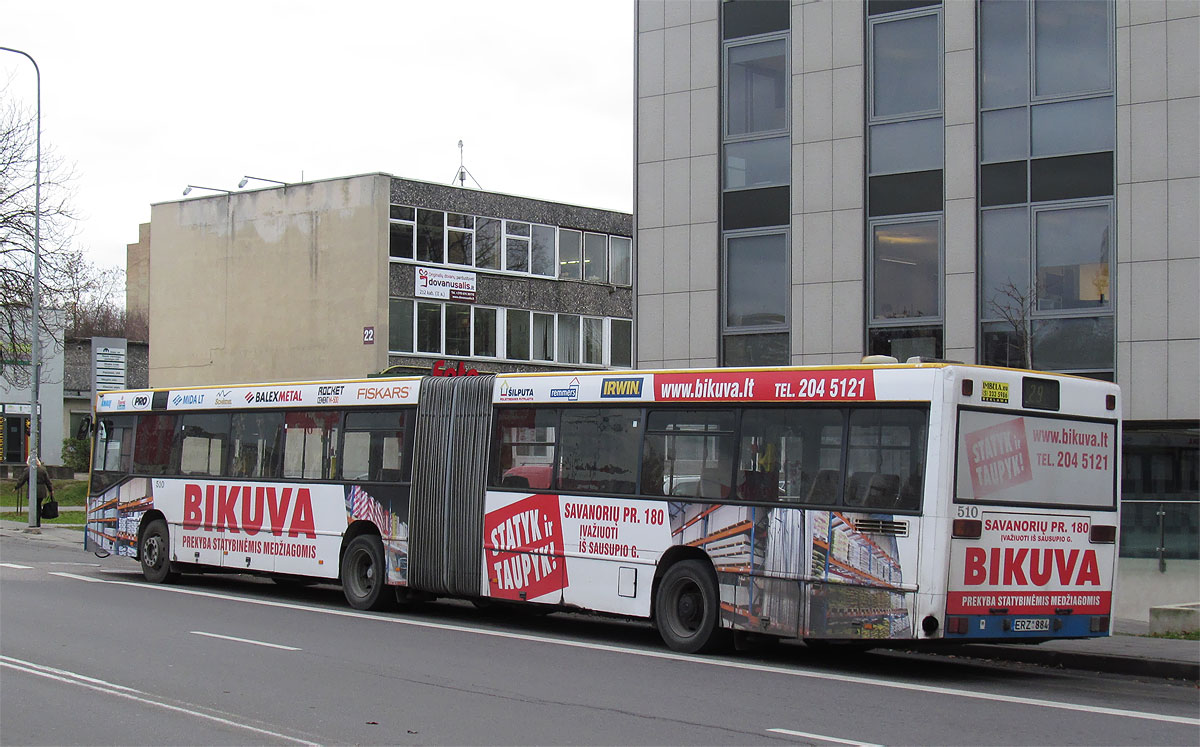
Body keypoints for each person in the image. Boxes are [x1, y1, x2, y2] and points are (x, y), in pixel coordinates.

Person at [14, 459, 54, 528]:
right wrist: (51, 490)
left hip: (32, 489)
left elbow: (22, 479)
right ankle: (37, 521)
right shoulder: (43, 470)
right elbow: (48, 481)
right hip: (41, 490)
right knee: (38, 505)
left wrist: (16, 487)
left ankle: (34, 522)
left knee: (34, 506)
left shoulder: (28, 470)